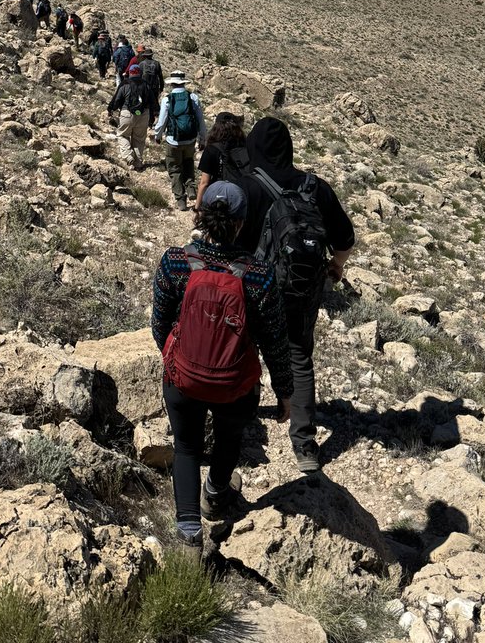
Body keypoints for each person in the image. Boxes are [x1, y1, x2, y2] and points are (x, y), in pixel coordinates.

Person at [151, 181, 293, 553]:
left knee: (186, 447)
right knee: (229, 438)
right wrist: (285, 391)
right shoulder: (259, 275)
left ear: (201, 215)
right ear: (242, 222)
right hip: (235, 383)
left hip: (183, 379)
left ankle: (188, 534)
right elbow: (275, 340)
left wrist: (175, 358)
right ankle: (214, 493)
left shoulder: (175, 262)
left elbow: (159, 324)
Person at [235, 117, 355, 473]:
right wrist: (336, 266)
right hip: (303, 288)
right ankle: (304, 445)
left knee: (247, 347)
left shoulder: (245, 187)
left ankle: (244, 419)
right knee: (299, 355)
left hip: (255, 285)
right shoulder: (315, 187)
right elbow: (345, 240)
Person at [152, 71, 206, 210]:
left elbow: (162, 121)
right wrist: (202, 138)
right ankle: (191, 189)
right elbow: (200, 120)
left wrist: (157, 136)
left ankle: (181, 200)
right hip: (190, 140)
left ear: (172, 84)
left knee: (175, 169)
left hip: (173, 141)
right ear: (183, 82)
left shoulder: (167, 99)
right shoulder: (193, 97)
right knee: (188, 163)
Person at [108, 60, 159, 170]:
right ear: (140, 73)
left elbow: (117, 99)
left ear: (130, 73)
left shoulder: (125, 84)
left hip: (127, 114)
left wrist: (111, 109)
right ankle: (138, 163)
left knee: (122, 135)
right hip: (143, 115)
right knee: (139, 139)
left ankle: (128, 155)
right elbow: (153, 101)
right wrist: (155, 113)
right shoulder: (146, 85)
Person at [194, 112, 248, 212]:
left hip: (218, 195)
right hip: (241, 193)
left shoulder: (211, 149)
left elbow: (204, 183)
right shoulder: (243, 146)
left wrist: (197, 207)